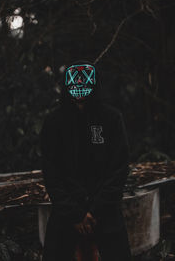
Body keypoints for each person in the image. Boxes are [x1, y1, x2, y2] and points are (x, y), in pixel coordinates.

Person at [40, 61, 132, 261]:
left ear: (95, 84)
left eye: (85, 82)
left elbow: (120, 168)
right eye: (74, 82)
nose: (79, 87)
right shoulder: (53, 122)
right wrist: (75, 214)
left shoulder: (112, 118)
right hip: (66, 212)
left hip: (105, 210)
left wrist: (96, 210)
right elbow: (51, 172)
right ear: (66, 85)